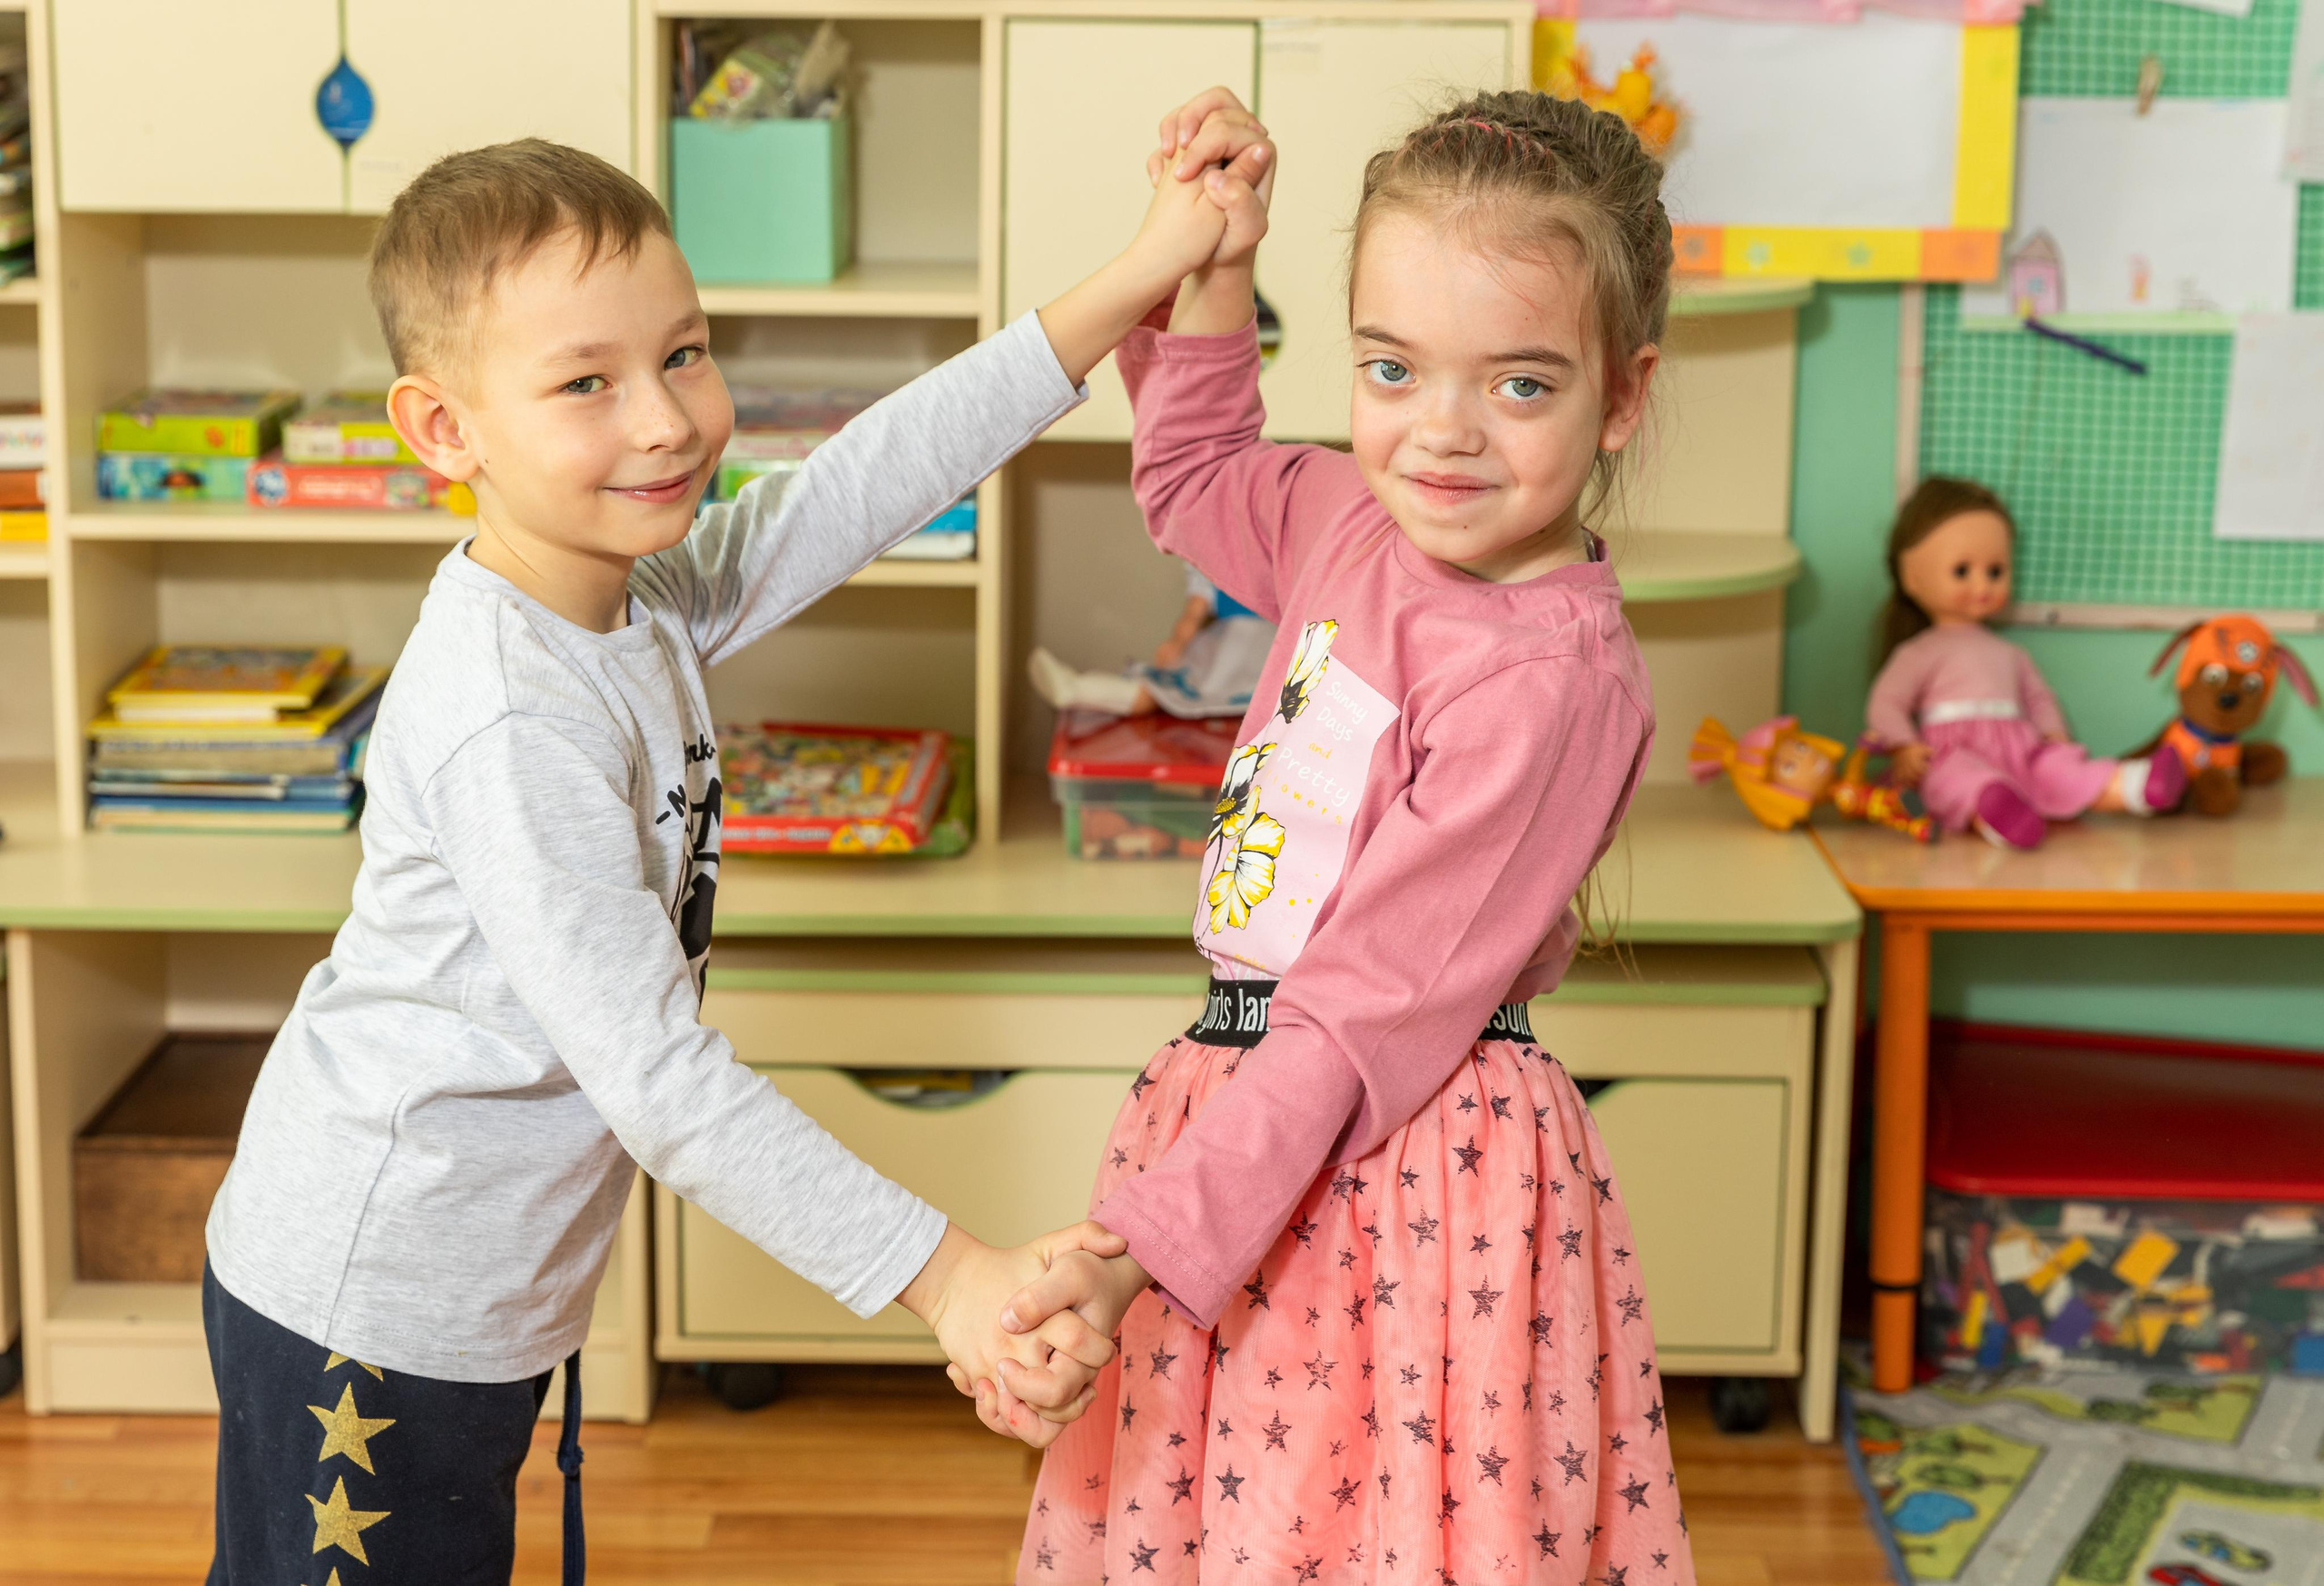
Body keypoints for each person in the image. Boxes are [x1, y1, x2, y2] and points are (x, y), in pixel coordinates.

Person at [197, 136, 1243, 1585]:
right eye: (587, 383)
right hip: (373, 1299)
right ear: (445, 429)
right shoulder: (514, 710)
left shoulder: (638, 597)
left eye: (683, 354)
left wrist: (1136, 277)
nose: (665, 420)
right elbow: (661, 1080)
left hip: (463, 1284)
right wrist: (950, 1279)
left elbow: (867, 477)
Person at [982, 86, 1697, 1583]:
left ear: (1620, 396)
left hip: (1403, 1155)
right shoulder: (1352, 520)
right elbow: (1190, 474)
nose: (1439, 433)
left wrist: (1132, 1251)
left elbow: (1362, 1012)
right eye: (1390, 368)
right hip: (1253, 1110)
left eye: (1519, 386)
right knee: (1243, 1515)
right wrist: (1221, 263)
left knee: (1375, 1527)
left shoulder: (1548, 680)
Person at [1866, 476, 2183, 848]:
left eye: (1995, 571)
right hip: (1951, 752)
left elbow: (2038, 699)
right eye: (1962, 571)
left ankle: (2135, 786)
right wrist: (1903, 744)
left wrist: (2053, 734)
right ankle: (1997, 814)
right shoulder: (1917, 652)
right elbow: (1886, 703)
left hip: (2021, 750)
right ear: (1912, 576)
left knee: (2057, 770)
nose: (1983, 586)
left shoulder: (2010, 654)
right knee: (1953, 779)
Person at [1028, 562, 1276, 719]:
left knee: (1166, 692)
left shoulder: (1288, 562)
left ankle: (1077, 689)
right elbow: (1192, 615)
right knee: (1162, 691)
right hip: (1228, 649)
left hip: (1266, 652)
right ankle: (1076, 689)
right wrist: (1176, 643)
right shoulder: (1215, 564)